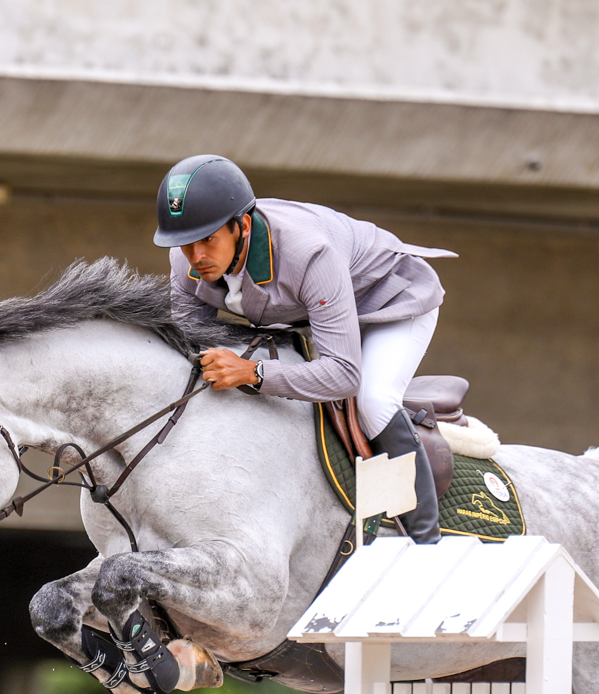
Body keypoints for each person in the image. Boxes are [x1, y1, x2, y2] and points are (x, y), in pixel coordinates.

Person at [155, 154, 455, 542]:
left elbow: (344, 375)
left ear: (241, 226)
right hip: (312, 315)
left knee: (372, 399)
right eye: (185, 244)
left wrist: (253, 374)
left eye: (208, 240)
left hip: (388, 303)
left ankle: (425, 544)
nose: (196, 257)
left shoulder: (308, 253)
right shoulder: (186, 262)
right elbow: (188, 348)